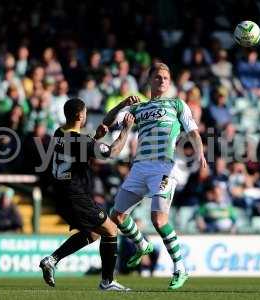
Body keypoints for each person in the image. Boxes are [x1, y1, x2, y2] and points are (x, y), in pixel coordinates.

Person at [102, 63, 207, 290]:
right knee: (116, 215)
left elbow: (193, 132)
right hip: (139, 167)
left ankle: (180, 268)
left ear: (170, 83)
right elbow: (107, 123)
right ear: (149, 80)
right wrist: (122, 104)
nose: (162, 81)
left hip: (163, 167)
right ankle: (142, 245)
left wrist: (200, 155)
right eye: (158, 77)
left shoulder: (177, 104)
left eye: (166, 78)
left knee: (159, 220)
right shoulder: (138, 108)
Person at [39, 98, 135, 291]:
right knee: (111, 230)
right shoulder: (79, 141)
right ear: (79, 115)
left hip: (61, 194)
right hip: (75, 195)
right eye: (85, 112)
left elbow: (78, 151)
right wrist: (126, 129)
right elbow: (113, 152)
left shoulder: (59, 133)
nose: (86, 115)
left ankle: (52, 260)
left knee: (92, 234)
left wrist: (95, 138)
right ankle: (107, 282)